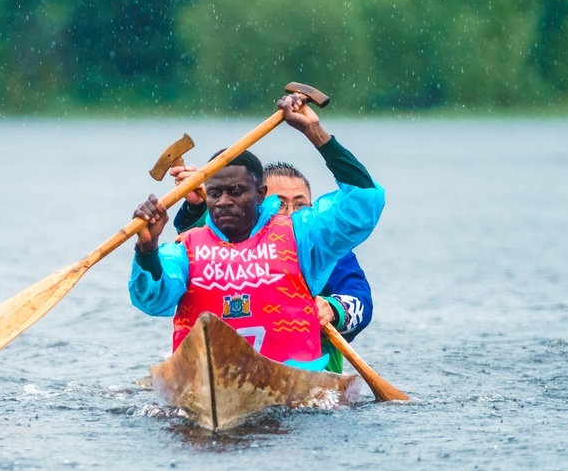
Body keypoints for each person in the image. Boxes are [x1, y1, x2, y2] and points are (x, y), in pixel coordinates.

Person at [129, 93, 384, 371]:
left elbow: (363, 203)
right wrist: (147, 247)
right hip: (207, 378)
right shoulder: (185, 248)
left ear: (260, 195)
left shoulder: (307, 239)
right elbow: (152, 299)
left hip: (296, 376)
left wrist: (315, 133)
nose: (225, 201)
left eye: (236, 192)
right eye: (215, 193)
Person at [170, 162, 373, 374]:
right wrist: (196, 207)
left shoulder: (328, 253)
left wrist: (334, 309)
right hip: (224, 370)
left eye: (300, 205)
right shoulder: (227, 242)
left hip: (307, 375)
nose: (291, 213)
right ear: (256, 202)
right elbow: (202, 245)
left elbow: (361, 301)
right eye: (280, 203)